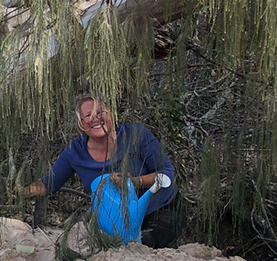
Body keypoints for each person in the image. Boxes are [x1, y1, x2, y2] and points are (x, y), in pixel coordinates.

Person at [24, 94, 184, 248]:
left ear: (112, 115)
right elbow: (48, 184)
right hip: (114, 218)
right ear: (80, 124)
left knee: (148, 242)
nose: (95, 118)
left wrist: (135, 182)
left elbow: (167, 172)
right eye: (87, 116)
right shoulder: (74, 152)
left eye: (100, 112)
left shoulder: (136, 134)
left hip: (158, 207)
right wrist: (21, 191)